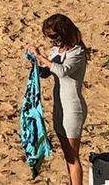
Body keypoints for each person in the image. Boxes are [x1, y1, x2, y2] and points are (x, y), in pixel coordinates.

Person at [27, 14, 89, 185]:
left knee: (72, 156)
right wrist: (35, 62)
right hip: (60, 108)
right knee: (67, 154)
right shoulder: (55, 51)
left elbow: (62, 70)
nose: (52, 40)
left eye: (54, 36)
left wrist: (41, 57)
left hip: (72, 109)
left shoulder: (77, 52)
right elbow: (47, 72)